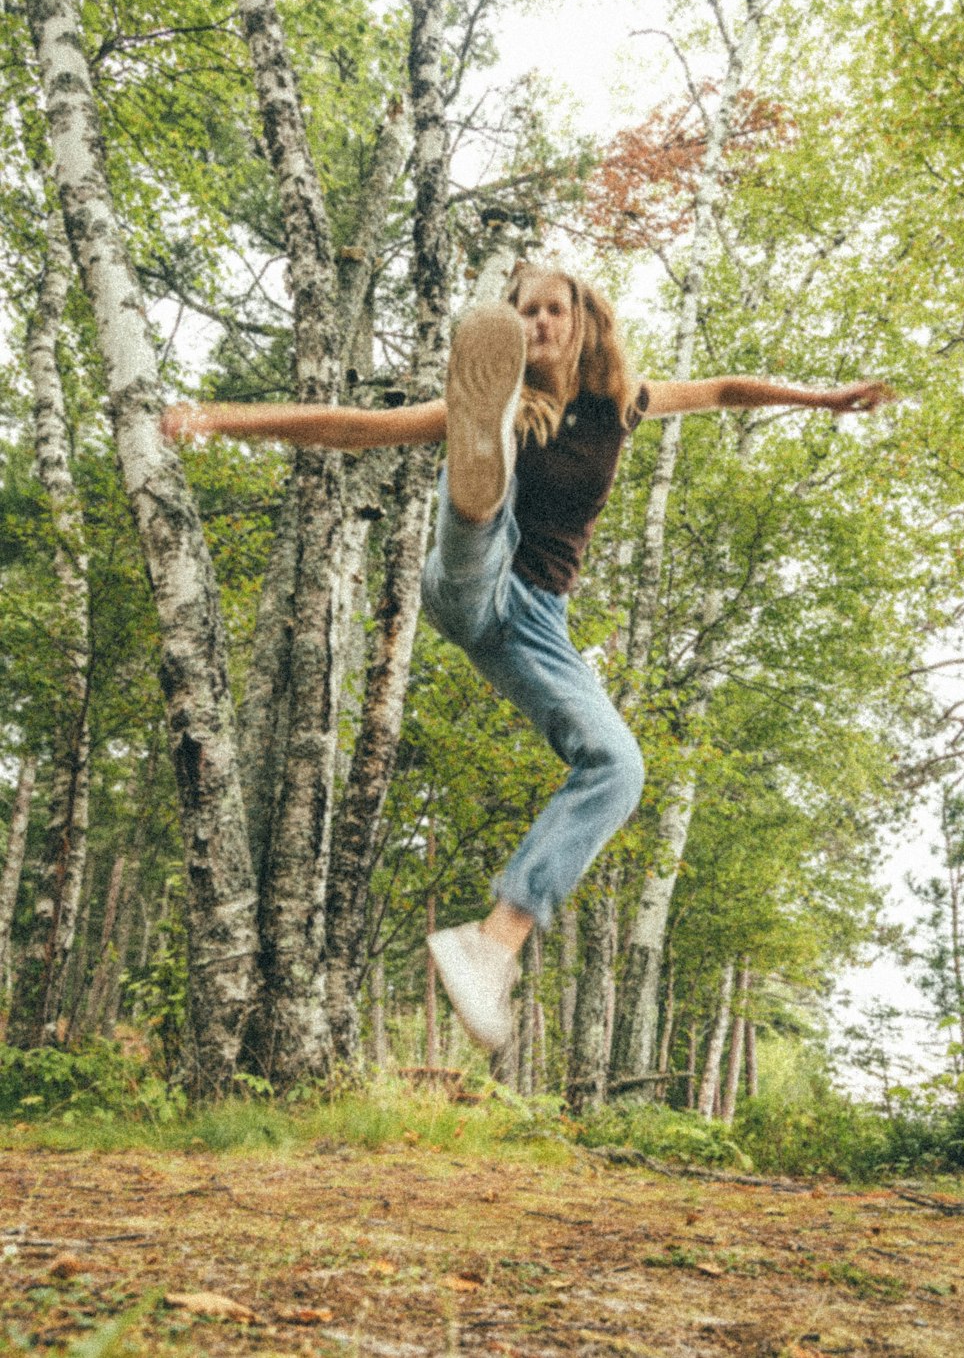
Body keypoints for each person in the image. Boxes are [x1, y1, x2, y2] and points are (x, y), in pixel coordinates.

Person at [162, 265, 893, 1052]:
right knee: (478, 509)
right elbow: (346, 428)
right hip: (472, 578)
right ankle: (480, 463)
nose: (542, 323)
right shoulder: (503, 397)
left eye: (553, 310)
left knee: (619, 765)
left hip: (537, 621)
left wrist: (819, 399)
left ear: (581, 320)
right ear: (510, 329)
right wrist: (219, 418)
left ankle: (491, 944)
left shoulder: (624, 402)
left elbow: (722, 391)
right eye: (526, 313)